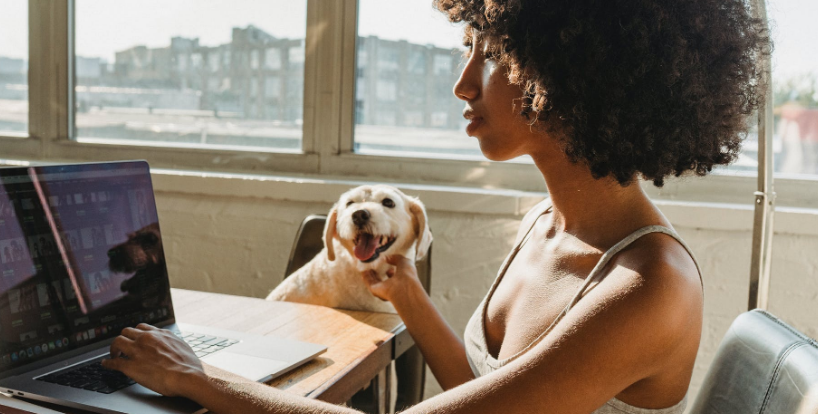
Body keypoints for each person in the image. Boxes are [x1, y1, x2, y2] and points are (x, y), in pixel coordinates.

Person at [101, 0, 768, 413]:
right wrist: (410, 296)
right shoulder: (545, 223)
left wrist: (199, 379)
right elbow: (480, 390)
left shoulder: (650, 287)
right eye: (467, 48)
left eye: (495, 54)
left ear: (577, 76)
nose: (463, 81)